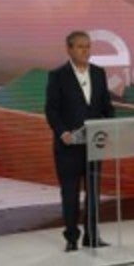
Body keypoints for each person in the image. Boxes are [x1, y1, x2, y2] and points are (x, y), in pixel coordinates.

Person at [45, 31, 115, 251]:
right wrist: (62, 132)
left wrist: (109, 126)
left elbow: (107, 106)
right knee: (70, 193)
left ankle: (92, 236)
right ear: (69, 49)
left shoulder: (98, 73)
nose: (86, 51)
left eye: (88, 46)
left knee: (93, 193)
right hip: (68, 147)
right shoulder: (58, 76)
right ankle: (72, 238)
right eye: (80, 47)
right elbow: (51, 110)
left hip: (93, 145)